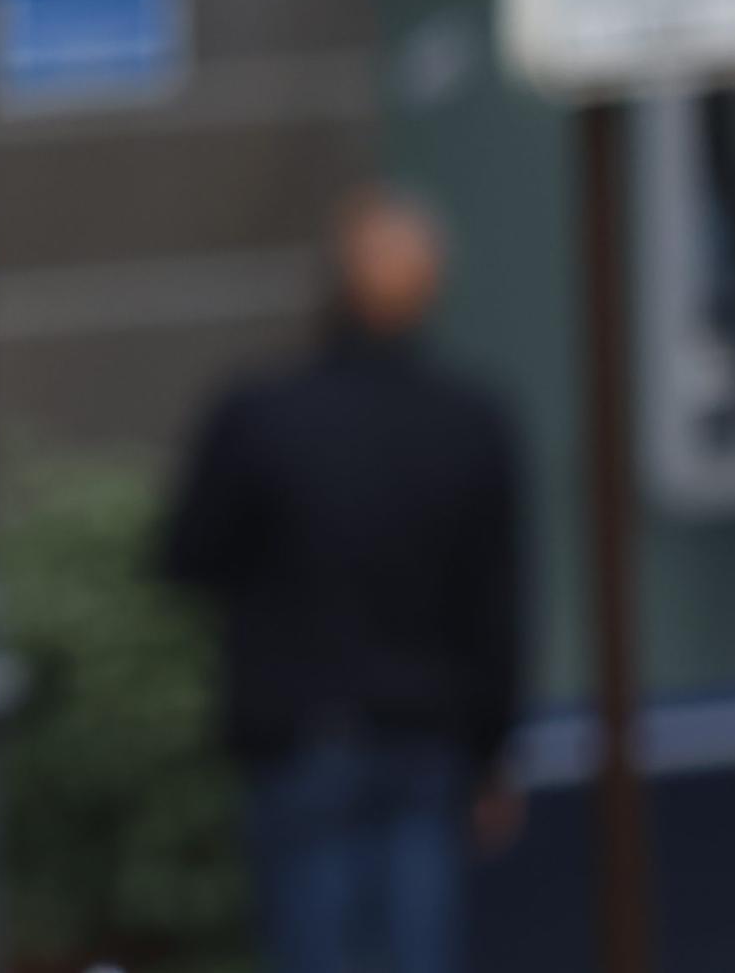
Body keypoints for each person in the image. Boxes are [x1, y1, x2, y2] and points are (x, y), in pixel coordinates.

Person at [159, 189, 528, 973]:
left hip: (302, 735)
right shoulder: (469, 421)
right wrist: (495, 749)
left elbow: (186, 556)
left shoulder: (262, 413)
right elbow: (497, 606)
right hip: (428, 735)